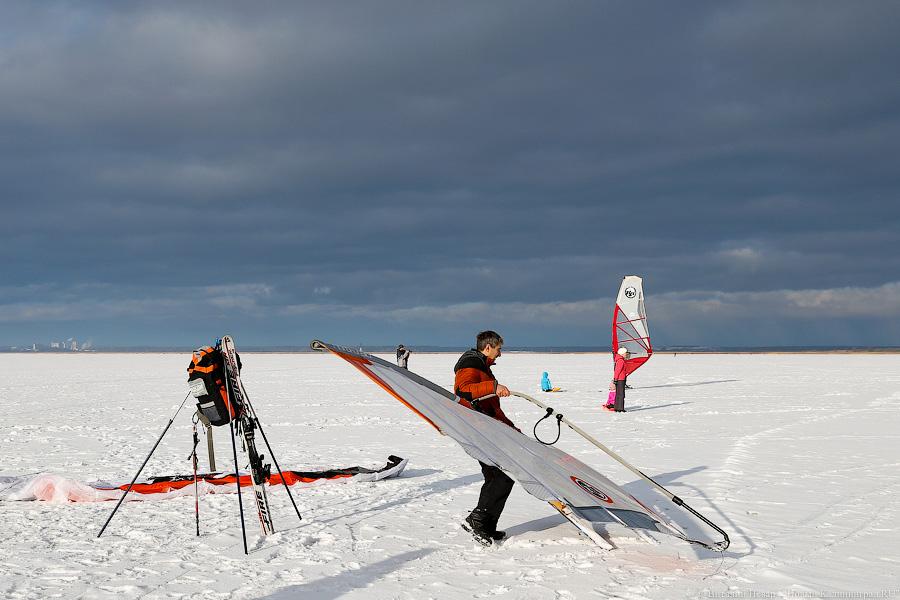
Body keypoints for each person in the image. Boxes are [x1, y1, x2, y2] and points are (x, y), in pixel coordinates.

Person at [454, 330, 516, 545]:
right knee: (501, 476)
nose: (500, 354)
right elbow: (463, 390)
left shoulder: (482, 366)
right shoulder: (470, 363)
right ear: (488, 347)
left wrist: (510, 428)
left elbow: (491, 407)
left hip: (486, 428)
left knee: (496, 476)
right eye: (498, 349)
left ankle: (485, 525)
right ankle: (478, 521)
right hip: (478, 430)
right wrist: (494, 387)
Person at [605, 347, 629, 412]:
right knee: (621, 394)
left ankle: (617, 408)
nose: (626, 354)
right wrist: (615, 379)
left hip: (620, 379)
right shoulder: (621, 360)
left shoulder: (620, 360)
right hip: (620, 379)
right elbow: (617, 371)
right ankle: (620, 408)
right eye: (625, 353)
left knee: (618, 394)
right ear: (622, 353)